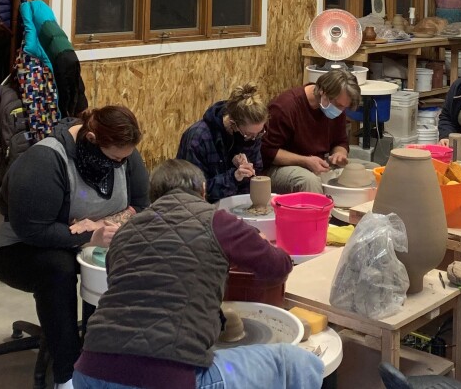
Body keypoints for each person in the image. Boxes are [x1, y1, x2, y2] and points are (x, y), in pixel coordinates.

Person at [72, 159, 324, 389]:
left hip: (88, 372)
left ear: (153, 196)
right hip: (163, 379)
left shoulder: (124, 233)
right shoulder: (217, 220)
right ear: (203, 190)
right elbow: (278, 268)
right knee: (293, 362)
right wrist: (260, 243)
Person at [0, 106, 150, 389]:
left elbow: (141, 205)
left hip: (75, 239)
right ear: (92, 139)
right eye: (115, 159)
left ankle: (100, 358)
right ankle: (67, 375)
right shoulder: (45, 161)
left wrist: (98, 225)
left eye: (125, 159)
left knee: (120, 258)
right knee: (58, 268)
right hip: (14, 245)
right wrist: (87, 237)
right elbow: (34, 229)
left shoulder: (123, 153)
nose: (122, 165)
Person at [261, 69, 361, 194]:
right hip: (279, 167)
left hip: (316, 162)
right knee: (309, 181)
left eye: (345, 107)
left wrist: (339, 154)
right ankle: (321, 213)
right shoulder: (285, 107)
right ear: (322, 92)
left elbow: (340, 141)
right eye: (339, 105)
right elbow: (267, 151)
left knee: (369, 169)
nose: (341, 110)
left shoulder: (335, 105)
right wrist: (305, 161)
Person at [177, 83, 268, 203]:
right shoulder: (199, 138)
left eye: (259, 133)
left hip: (234, 205)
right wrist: (233, 177)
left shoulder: (253, 134)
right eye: (249, 134)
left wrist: (248, 170)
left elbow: (255, 174)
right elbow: (195, 192)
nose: (254, 139)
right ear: (233, 123)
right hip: (199, 208)